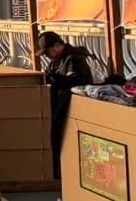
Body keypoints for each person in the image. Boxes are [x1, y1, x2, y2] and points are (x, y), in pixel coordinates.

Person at [40, 30, 95, 175]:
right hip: (61, 108)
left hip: (74, 110)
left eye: (47, 52)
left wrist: (56, 79)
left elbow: (77, 83)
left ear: (57, 45)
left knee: (65, 142)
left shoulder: (74, 60)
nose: (46, 56)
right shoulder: (56, 62)